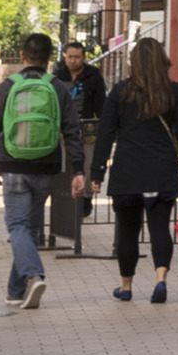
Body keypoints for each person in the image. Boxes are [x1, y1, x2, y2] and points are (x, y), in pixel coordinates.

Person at [88, 37, 178, 303]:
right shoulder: (173, 92)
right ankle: (160, 280)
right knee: (160, 228)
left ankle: (126, 286)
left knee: (127, 232)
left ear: (134, 63)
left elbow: (105, 133)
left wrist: (97, 173)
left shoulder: (120, 92)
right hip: (161, 171)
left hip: (127, 171)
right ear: (161, 61)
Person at [0, 29, 66, 314]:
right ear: (50, 58)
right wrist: (78, 169)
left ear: (21, 56)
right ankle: (14, 293)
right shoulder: (57, 86)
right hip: (46, 164)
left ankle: (34, 275)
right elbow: (73, 131)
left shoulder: (7, 86)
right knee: (28, 228)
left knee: (17, 227)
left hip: (13, 163)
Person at [50, 44, 103, 251]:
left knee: (87, 165)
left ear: (84, 57)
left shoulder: (93, 76)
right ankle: (65, 205)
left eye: (77, 57)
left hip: (87, 127)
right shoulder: (57, 76)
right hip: (63, 128)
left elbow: (101, 104)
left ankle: (85, 200)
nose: (73, 61)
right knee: (64, 167)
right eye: (70, 57)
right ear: (64, 56)